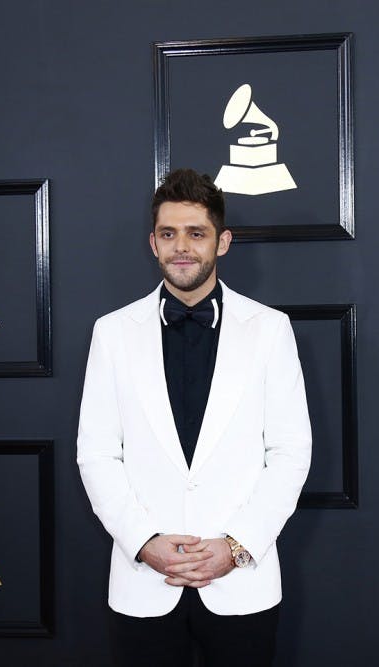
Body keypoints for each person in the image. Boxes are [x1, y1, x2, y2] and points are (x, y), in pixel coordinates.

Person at [77, 168, 311, 666]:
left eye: (196, 233)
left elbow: (290, 453)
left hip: (241, 582)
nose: (181, 247)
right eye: (169, 233)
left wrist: (237, 546)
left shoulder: (270, 330)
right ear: (153, 243)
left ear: (222, 242)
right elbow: (96, 453)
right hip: (144, 582)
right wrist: (143, 543)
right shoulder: (112, 333)